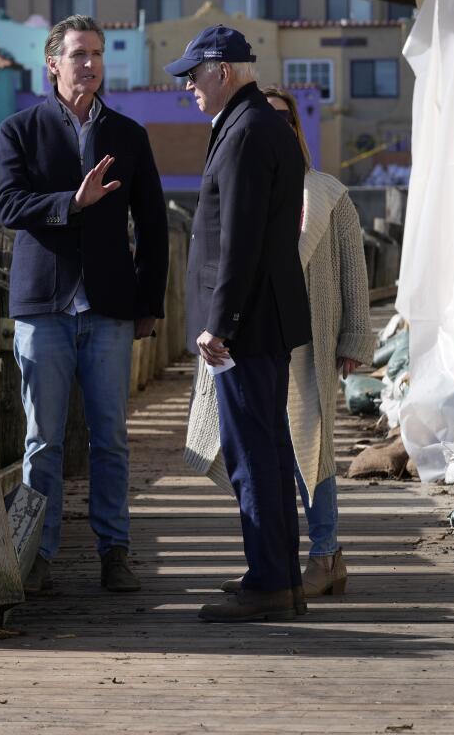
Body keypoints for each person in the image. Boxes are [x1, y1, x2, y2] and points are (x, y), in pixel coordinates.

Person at [0, 14, 169, 595]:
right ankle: (37, 554)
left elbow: (153, 226)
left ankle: (114, 551)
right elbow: (8, 205)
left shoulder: (129, 135)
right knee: (42, 440)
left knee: (111, 439)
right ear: (52, 64)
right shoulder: (18, 131)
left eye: (96, 54)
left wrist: (150, 301)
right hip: (43, 307)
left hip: (110, 310)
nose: (89, 64)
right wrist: (74, 201)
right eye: (78, 55)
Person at [185, 86, 373, 599]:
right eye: (266, 120)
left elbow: (353, 271)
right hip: (252, 334)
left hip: (310, 337)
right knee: (260, 450)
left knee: (310, 451)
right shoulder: (242, 187)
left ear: (296, 130)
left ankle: (325, 553)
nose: (276, 129)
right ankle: (273, 565)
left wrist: (355, 336)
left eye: (286, 120)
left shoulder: (328, 193)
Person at [166, 25, 311, 622]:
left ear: (222, 69)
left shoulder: (247, 131)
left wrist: (218, 322)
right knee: (268, 450)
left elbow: (241, 240)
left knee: (253, 453)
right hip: (263, 318)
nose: (189, 88)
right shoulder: (254, 123)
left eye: (194, 75)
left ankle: (271, 584)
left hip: (246, 325)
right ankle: (278, 576)